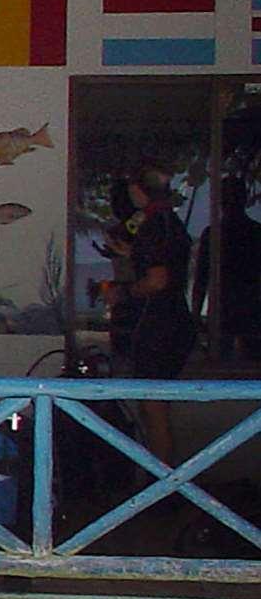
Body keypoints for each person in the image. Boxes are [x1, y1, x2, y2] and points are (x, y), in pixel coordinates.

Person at [110, 167, 195, 461]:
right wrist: (132, 255)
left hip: (158, 325)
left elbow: (158, 279)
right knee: (154, 406)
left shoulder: (154, 225)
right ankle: (161, 485)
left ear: (137, 189)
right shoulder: (171, 223)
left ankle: (161, 490)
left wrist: (124, 292)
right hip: (173, 321)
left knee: (153, 408)